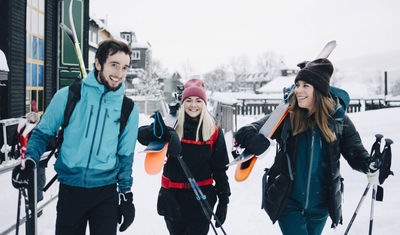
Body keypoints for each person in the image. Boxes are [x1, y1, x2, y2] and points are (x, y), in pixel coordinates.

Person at [234, 58, 379, 235]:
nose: (298, 90)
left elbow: (354, 151)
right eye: (297, 85)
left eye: (305, 86)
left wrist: (369, 164)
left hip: (322, 205)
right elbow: (247, 131)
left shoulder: (338, 120)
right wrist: (253, 139)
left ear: (318, 90)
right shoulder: (287, 117)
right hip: (288, 201)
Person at [11, 39, 139, 235]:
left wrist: (126, 194)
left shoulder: (128, 108)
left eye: (124, 67)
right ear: (98, 63)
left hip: (105, 193)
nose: (119, 73)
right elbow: (42, 133)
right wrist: (30, 161)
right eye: (114, 65)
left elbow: (125, 157)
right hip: (71, 191)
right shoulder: (69, 95)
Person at [138, 78, 231, 235]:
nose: (193, 105)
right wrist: (165, 132)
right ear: (182, 102)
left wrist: (224, 201)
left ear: (204, 103)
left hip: (201, 200)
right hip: (173, 200)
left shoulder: (213, 130)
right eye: (188, 100)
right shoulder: (172, 124)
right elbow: (141, 135)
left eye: (198, 100)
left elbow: (220, 169)